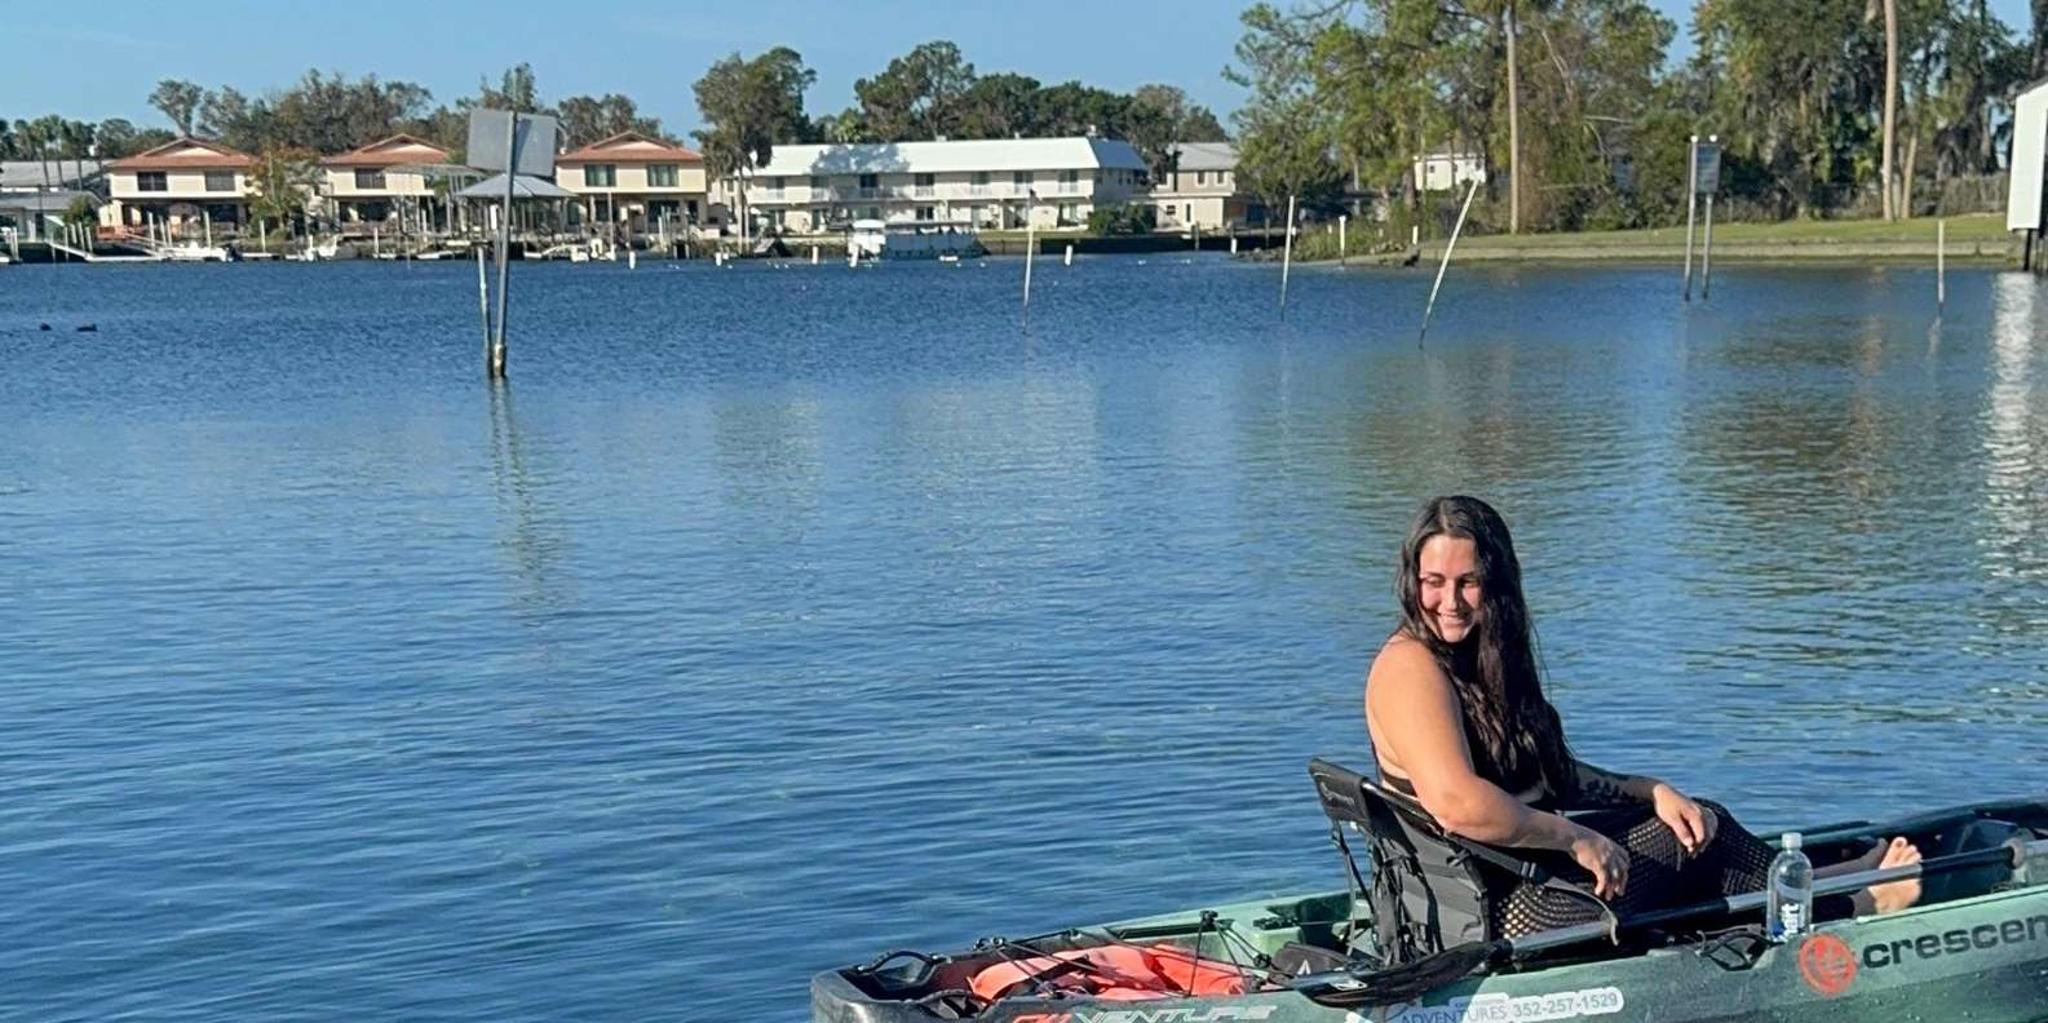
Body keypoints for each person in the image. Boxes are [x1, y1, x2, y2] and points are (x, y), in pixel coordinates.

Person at [1364, 495, 1922, 938]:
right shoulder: (1411, 667)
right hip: (1502, 912)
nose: (1450, 601)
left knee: (1691, 819)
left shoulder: (1475, 655)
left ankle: (1818, 885)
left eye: (1469, 582)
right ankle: (1851, 905)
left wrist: (1649, 791)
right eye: (1434, 583)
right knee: (1700, 837)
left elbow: (1548, 776)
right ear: (1413, 580)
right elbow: (1457, 803)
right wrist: (1577, 839)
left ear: (1498, 583)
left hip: (1520, 876)